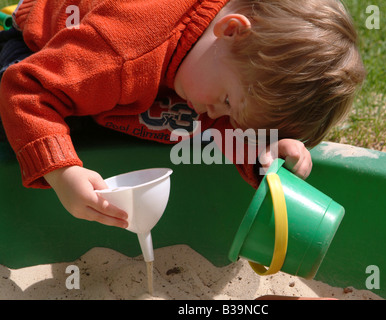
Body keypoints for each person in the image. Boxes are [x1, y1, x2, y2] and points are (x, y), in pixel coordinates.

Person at [0, 0, 365, 229]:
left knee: (187, 121)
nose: (218, 113)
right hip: (41, 49)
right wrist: (61, 172)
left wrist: (265, 148)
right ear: (230, 30)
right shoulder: (125, 47)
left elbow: (221, 123)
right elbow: (27, 87)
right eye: (226, 100)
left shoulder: (221, 62)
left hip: (132, 81)